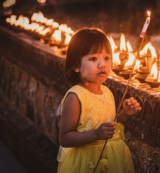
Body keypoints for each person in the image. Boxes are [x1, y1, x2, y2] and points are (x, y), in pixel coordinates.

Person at [57, 27, 142, 173]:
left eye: (106, 58)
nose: (102, 64)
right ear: (76, 66)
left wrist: (125, 114)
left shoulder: (107, 92)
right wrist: (95, 134)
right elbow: (64, 138)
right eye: (93, 58)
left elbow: (110, 123)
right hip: (86, 163)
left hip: (113, 159)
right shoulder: (76, 97)